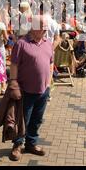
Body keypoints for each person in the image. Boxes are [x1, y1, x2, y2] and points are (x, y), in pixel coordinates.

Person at [8, 15, 53, 161]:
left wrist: (49, 81)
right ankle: (17, 145)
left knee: (36, 119)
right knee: (22, 120)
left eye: (46, 27)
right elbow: (14, 64)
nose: (46, 30)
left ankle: (31, 143)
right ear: (33, 27)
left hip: (43, 90)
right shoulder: (21, 43)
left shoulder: (48, 43)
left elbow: (51, 62)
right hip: (26, 90)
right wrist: (13, 81)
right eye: (43, 27)